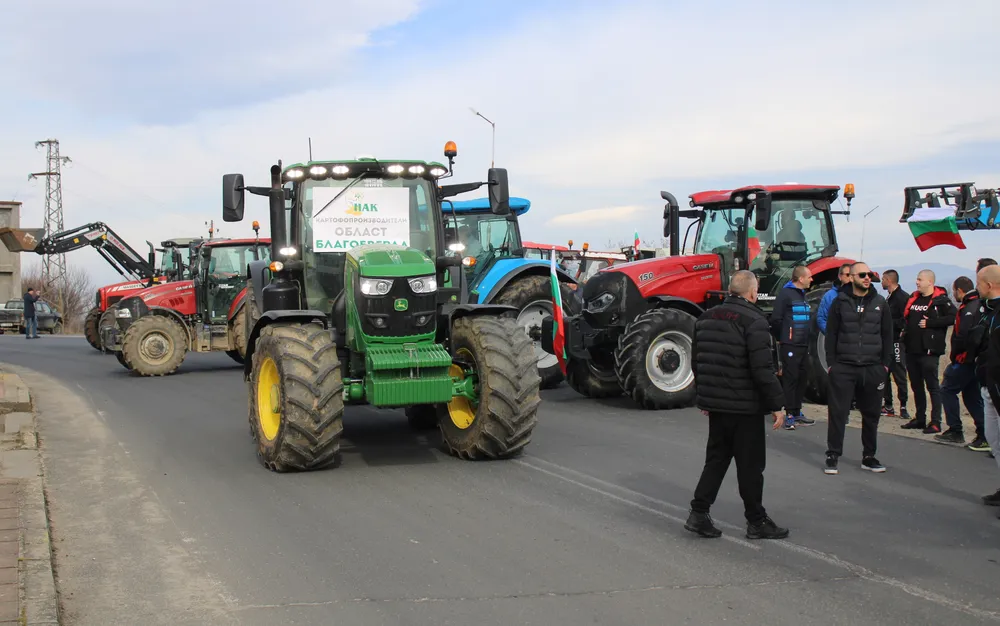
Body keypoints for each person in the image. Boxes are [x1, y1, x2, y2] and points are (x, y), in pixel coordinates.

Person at [685, 270, 789, 540]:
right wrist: (778, 404)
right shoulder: (754, 320)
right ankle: (756, 521)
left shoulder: (705, 318)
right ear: (752, 292)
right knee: (751, 466)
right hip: (745, 406)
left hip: (717, 405)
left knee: (716, 461)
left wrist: (706, 398)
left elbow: (698, 361)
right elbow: (762, 368)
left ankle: (699, 512)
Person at [823, 262, 893, 475]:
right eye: (862, 275)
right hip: (844, 367)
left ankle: (869, 456)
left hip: (873, 368)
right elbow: (831, 334)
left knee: (871, 414)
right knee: (838, 413)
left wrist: (885, 365)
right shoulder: (839, 302)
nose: (867, 278)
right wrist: (832, 364)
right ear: (851, 277)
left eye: (869, 275)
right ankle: (833, 455)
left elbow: (888, 335)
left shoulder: (881, 302)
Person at [900, 270, 956, 434]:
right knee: (916, 386)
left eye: (920, 280)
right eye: (917, 279)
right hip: (911, 349)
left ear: (930, 282)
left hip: (929, 351)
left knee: (932, 386)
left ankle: (936, 421)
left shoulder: (941, 301)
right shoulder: (914, 298)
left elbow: (953, 318)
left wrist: (931, 323)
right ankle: (920, 418)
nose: (917, 282)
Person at [935, 277, 986, 447]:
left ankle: (955, 430)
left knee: (947, 390)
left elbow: (964, 336)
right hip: (973, 360)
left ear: (959, 290)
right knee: (972, 396)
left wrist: (957, 356)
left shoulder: (970, 307)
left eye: (955, 291)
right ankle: (984, 433)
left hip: (964, 359)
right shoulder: (977, 304)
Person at [769, 265, 815, 429]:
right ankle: (788, 413)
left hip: (803, 344)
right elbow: (776, 320)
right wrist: (782, 338)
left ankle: (796, 411)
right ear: (800, 278)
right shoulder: (785, 294)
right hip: (790, 344)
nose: (812, 279)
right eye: (809, 277)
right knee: (790, 378)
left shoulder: (802, 295)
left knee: (802, 377)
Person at [973, 265, 1000, 509]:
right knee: (995, 440)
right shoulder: (987, 311)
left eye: (979, 282)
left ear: (989, 285)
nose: (976, 287)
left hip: (998, 387)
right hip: (987, 384)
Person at [880, 269, 910, 419]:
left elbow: (906, 320)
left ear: (888, 280)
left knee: (899, 374)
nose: (881, 282)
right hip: (886, 342)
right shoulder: (889, 298)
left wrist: (889, 324)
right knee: (885, 373)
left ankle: (903, 406)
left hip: (897, 342)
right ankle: (888, 405)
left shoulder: (902, 298)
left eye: (883, 279)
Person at [816, 264, 852, 334]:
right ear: (840, 276)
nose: (850, 278)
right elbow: (822, 318)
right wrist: (832, 334)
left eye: (853, 275)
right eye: (847, 275)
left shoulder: (859, 295)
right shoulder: (830, 295)